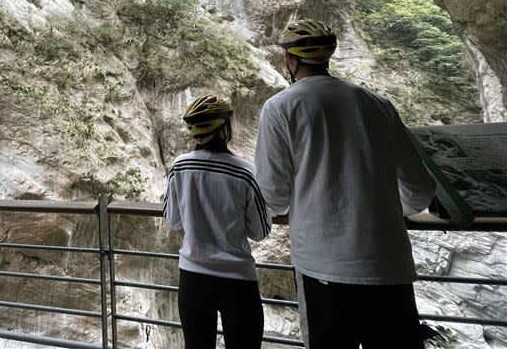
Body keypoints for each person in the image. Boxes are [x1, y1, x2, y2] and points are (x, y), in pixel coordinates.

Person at [254, 19, 437, 349]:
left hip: (323, 267)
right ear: (328, 57)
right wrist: (395, 211)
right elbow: (420, 189)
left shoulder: (280, 107)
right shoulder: (377, 104)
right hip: (387, 264)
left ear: (291, 61)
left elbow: (274, 196)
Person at [164, 95, 271, 349]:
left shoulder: (179, 167)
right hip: (237, 281)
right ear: (225, 129)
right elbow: (260, 231)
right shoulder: (246, 172)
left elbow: (173, 221)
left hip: (192, 277)